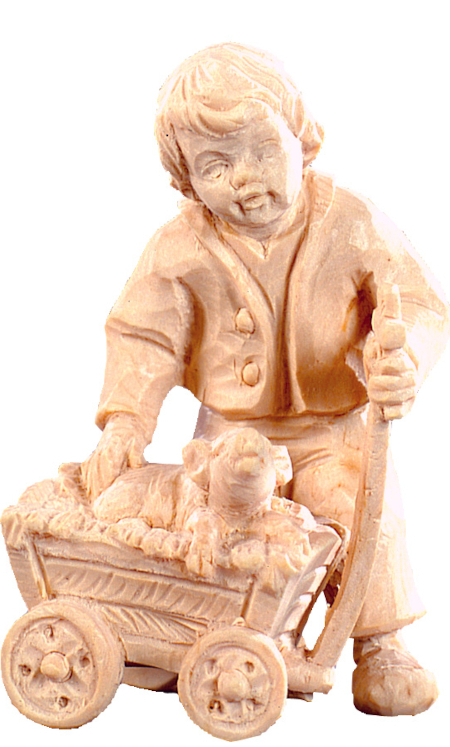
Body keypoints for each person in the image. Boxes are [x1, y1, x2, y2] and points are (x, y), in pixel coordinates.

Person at [81, 43, 449, 715]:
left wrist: (403, 358)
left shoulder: (353, 220)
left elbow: (419, 305)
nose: (244, 180)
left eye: (261, 150)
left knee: (361, 511)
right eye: (215, 166)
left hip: (334, 429)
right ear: (187, 181)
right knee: (220, 532)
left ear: (302, 139)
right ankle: (210, 634)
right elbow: (143, 335)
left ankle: (379, 643)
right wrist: (126, 422)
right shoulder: (180, 246)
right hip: (230, 437)